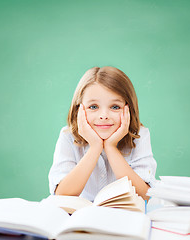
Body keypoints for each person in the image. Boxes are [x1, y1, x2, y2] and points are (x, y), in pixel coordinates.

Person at [48, 66, 157, 201]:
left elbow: (145, 194)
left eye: (115, 107)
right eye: (93, 107)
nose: (104, 115)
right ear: (79, 110)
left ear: (129, 109)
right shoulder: (68, 136)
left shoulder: (140, 135)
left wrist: (110, 147)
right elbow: (62, 194)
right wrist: (95, 147)